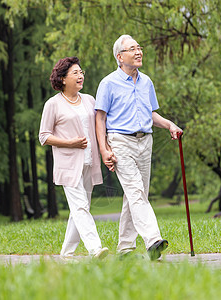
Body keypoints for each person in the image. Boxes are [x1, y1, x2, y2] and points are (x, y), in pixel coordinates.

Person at [95, 35, 183, 260]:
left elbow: (150, 114)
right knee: (135, 192)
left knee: (136, 195)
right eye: (132, 49)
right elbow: (100, 119)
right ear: (119, 56)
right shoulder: (108, 83)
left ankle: (125, 247)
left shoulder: (146, 82)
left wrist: (169, 124)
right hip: (120, 141)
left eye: (139, 48)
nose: (138, 52)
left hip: (145, 142)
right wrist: (104, 150)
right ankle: (153, 239)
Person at [39, 57, 109, 260]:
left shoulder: (89, 100)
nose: (80, 76)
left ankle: (67, 253)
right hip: (68, 164)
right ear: (62, 79)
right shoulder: (53, 104)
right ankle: (95, 248)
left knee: (80, 208)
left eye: (81, 72)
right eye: (75, 73)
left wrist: (106, 149)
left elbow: (99, 128)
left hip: (90, 162)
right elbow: (43, 136)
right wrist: (70, 143)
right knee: (79, 207)